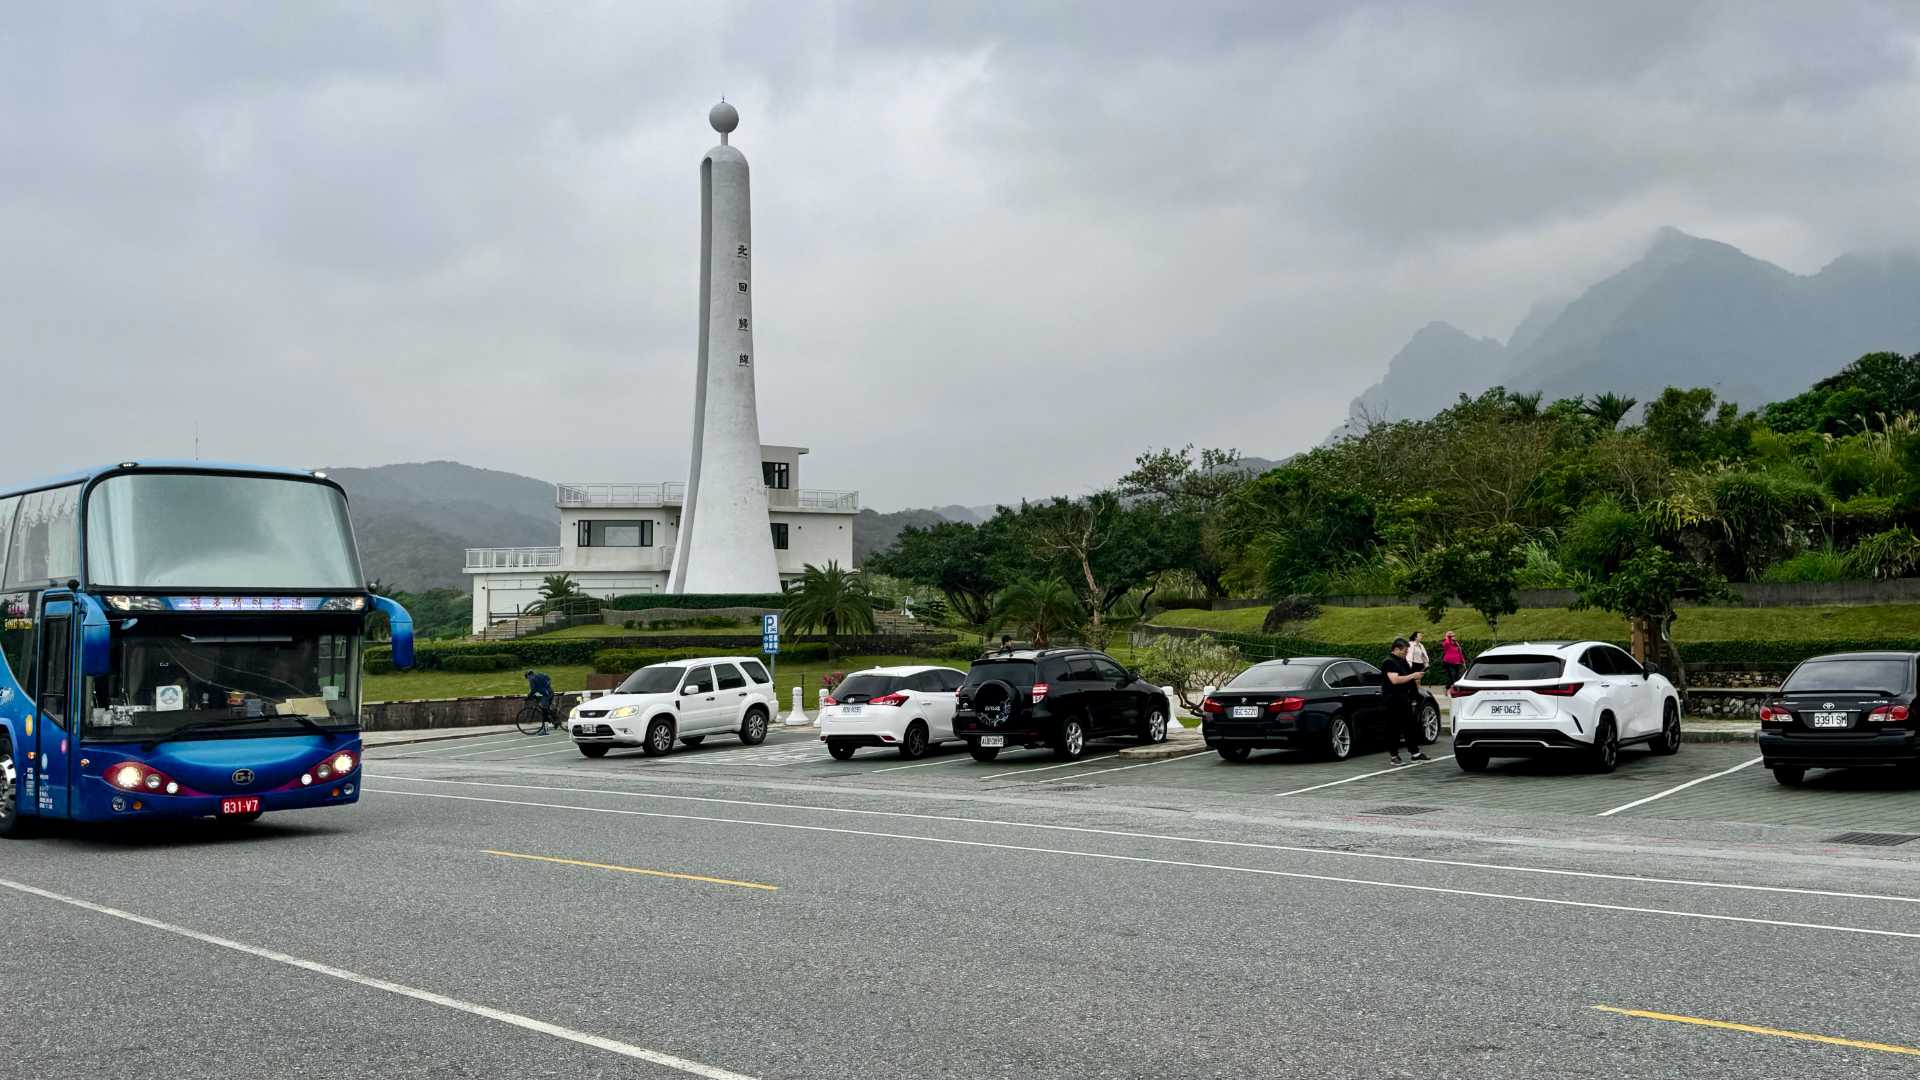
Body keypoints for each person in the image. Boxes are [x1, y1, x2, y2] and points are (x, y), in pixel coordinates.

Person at [1379, 638, 1428, 765]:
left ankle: (1415, 753)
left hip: (1404, 699)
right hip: (1392, 700)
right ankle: (1394, 756)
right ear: (1396, 649)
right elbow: (1395, 680)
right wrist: (1413, 676)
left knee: (1410, 726)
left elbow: (1408, 678)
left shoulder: (1402, 661)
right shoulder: (1389, 662)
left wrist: (1415, 691)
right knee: (1393, 728)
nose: (1406, 653)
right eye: (1405, 651)